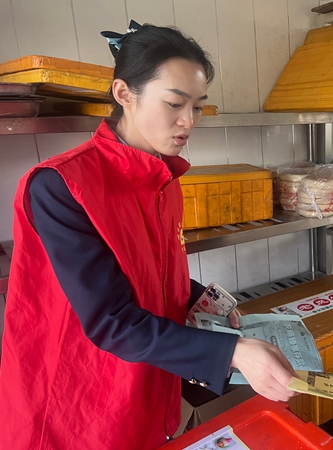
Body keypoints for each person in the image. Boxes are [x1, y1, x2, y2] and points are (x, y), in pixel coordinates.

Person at [0, 21, 296, 449]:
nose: (187, 121)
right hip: (79, 401)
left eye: (197, 107)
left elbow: (149, 273)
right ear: (124, 93)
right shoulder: (60, 186)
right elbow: (110, 319)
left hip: (147, 385)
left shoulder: (163, 179)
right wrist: (231, 353)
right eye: (174, 103)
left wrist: (204, 301)